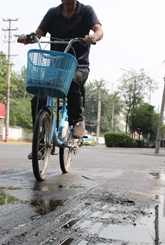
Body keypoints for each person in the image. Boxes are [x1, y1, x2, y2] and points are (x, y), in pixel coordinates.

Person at [18, 0, 103, 149]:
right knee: (39, 97)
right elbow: (38, 33)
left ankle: (76, 121)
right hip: (56, 67)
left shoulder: (86, 11)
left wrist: (93, 37)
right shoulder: (53, 13)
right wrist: (28, 38)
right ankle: (40, 139)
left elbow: (99, 30)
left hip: (78, 66)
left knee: (73, 82)